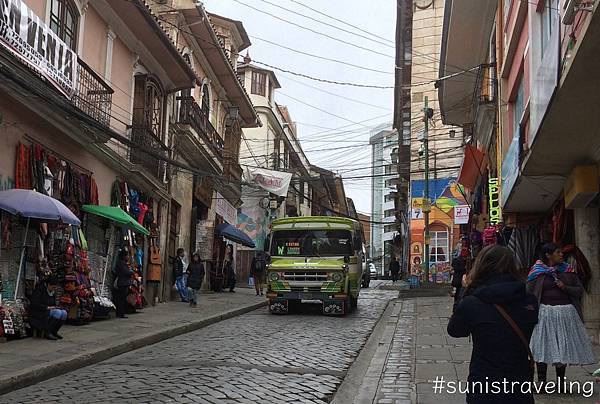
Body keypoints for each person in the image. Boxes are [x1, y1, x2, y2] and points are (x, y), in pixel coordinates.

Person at [448, 245, 539, 404]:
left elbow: (455, 330)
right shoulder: (529, 301)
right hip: (519, 382)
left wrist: (466, 291)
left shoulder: (472, 302)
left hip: (484, 382)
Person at [527, 242, 595, 385]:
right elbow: (529, 293)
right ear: (548, 255)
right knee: (542, 345)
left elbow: (579, 290)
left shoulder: (568, 271)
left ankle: (561, 383)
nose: (561, 254)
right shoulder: (537, 272)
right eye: (557, 252)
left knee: (562, 346)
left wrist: (565, 287)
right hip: (544, 313)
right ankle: (542, 382)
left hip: (565, 313)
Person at [30, 276, 67, 341]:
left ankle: (54, 331)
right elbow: (34, 304)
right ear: (48, 284)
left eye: (55, 287)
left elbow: (53, 303)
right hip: (39, 311)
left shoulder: (52, 292)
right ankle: (48, 332)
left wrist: (55, 307)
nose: (54, 289)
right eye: (53, 287)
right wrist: (47, 307)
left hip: (49, 310)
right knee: (58, 313)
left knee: (64, 313)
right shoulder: (40, 290)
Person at [114, 249, 134, 318]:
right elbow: (126, 272)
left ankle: (120, 313)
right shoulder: (121, 263)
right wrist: (131, 271)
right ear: (123, 256)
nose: (128, 257)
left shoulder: (122, 263)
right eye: (127, 255)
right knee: (121, 299)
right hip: (123, 283)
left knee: (121, 299)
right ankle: (120, 314)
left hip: (123, 283)